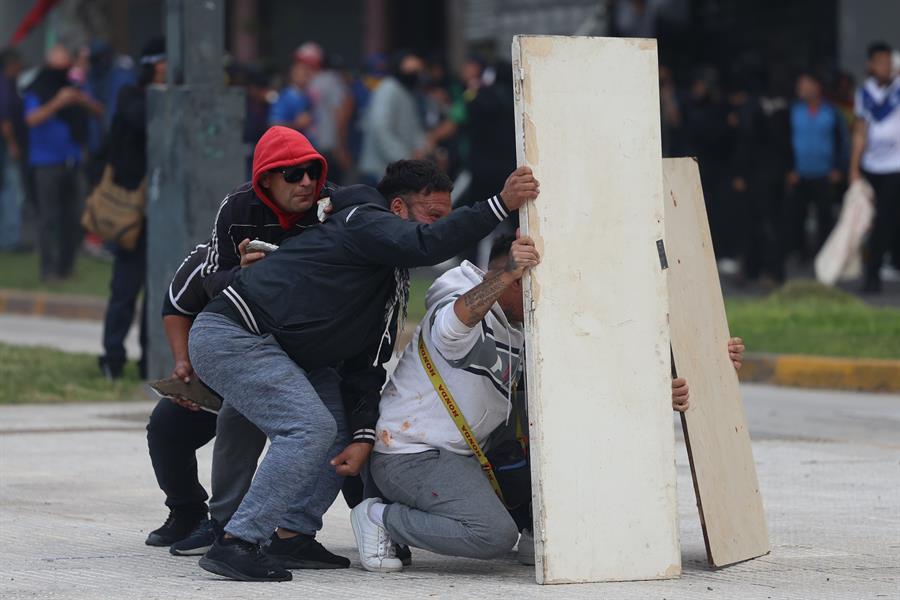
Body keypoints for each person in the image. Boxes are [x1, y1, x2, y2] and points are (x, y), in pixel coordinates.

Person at [188, 159, 539, 581]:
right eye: (431, 217)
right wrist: (500, 204)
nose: (436, 228)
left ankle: (290, 534)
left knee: (336, 430)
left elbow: (367, 361)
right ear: (396, 209)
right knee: (308, 427)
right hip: (235, 332)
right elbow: (428, 244)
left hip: (288, 351)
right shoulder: (363, 220)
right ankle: (237, 541)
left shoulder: (387, 274)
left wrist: (362, 434)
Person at [354, 234, 746, 571]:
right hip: (411, 455)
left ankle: (533, 525)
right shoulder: (459, 299)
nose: (546, 293)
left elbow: (587, 380)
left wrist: (702, 364)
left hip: (469, 455)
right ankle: (379, 518)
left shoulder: (525, 324)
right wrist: (507, 272)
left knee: (570, 454)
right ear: (510, 276)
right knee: (490, 535)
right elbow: (453, 328)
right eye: (533, 281)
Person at [144, 124, 336, 551]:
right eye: (292, 174)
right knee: (168, 425)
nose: (306, 182)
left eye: (312, 171)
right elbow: (181, 300)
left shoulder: (330, 208)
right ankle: (194, 513)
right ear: (266, 179)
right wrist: (184, 364)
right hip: (239, 344)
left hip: (305, 346)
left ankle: (303, 532)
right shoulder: (229, 222)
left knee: (346, 423)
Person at [97, 37, 166, 380]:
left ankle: (148, 361)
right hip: (133, 210)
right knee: (125, 289)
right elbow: (139, 122)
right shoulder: (133, 97)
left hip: (164, 214)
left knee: (160, 294)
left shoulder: (174, 98)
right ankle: (112, 357)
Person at [23, 45, 103, 281]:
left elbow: (99, 110)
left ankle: (67, 268)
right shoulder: (37, 88)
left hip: (74, 160)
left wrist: (80, 99)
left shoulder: (76, 86)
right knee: (48, 218)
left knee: (75, 216)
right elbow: (31, 119)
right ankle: (48, 270)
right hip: (46, 162)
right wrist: (57, 103)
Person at [849, 42, 900, 293]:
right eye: (881, 61)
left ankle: (879, 272)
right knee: (873, 223)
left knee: (887, 220)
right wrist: (854, 168)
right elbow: (860, 131)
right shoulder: (865, 93)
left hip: (895, 167)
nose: (886, 66)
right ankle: (871, 274)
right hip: (872, 167)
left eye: (889, 61)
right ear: (871, 65)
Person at [786, 72, 847, 258]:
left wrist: (838, 168)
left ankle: (824, 254)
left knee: (825, 217)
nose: (801, 89)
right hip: (799, 172)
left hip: (824, 172)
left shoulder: (832, 112)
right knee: (797, 216)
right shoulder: (793, 111)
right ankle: (800, 252)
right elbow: (784, 141)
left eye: (805, 84)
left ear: (816, 86)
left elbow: (841, 141)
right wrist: (789, 169)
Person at [358, 52, 430, 185]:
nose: (416, 74)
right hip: (379, 171)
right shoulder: (388, 88)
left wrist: (421, 149)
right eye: (411, 70)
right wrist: (404, 159)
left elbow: (414, 128)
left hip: (397, 170)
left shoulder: (407, 92)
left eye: (418, 70)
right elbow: (381, 127)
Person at [0, 47, 27, 251]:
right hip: (5, 149)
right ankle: (10, 239)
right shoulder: (5, 86)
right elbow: (5, 122)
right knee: (11, 191)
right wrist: (13, 146)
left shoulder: (9, 85)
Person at [268, 50, 314, 138]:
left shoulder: (306, 96)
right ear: (292, 74)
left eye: (307, 70)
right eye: (302, 70)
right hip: (290, 145)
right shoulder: (284, 97)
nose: (306, 73)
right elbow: (274, 125)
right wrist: (297, 124)